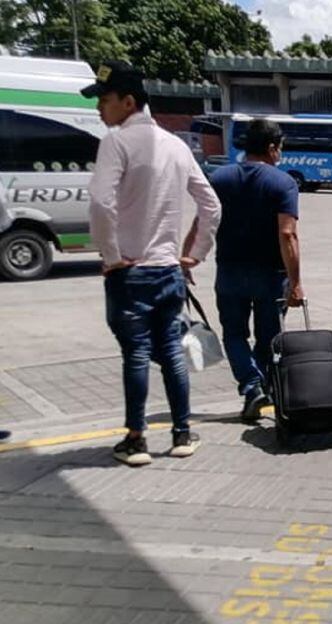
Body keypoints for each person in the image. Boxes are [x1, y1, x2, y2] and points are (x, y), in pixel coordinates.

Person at [83, 61, 221, 466]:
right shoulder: (176, 145)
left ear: (129, 102)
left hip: (130, 271)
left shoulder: (117, 142)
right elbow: (211, 204)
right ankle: (181, 433)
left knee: (137, 355)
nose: (99, 110)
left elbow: (100, 202)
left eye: (104, 101)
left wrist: (110, 256)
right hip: (168, 270)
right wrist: (195, 253)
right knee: (172, 353)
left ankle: (136, 438)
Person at [204, 119, 303, 422]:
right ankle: (262, 386)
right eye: (280, 149)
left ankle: (251, 386)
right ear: (272, 148)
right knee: (268, 337)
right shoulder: (282, 183)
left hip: (229, 270)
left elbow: (204, 223)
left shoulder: (219, 178)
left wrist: (188, 257)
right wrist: (296, 281)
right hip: (270, 274)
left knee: (233, 335)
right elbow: (287, 234)